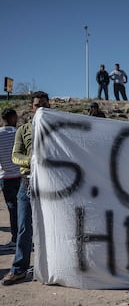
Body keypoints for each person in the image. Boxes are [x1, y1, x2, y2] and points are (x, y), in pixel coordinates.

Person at [1, 91, 50, 286]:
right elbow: (15, 155)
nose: (42, 108)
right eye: (38, 105)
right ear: (32, 108)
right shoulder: (23, 130)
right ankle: (19, 270)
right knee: (23, 228)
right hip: (27, 184)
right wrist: (33, 161)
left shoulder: (59, 128)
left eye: (45, 104)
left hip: (52, 185)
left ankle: (53, 267)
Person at [0, 109, 21, 251]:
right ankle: (23, 238)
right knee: (25, 210)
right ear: (13, 118)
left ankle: (15, 239)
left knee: (12, 209)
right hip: (21, 176)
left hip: (6, 177)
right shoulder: (19, 133)